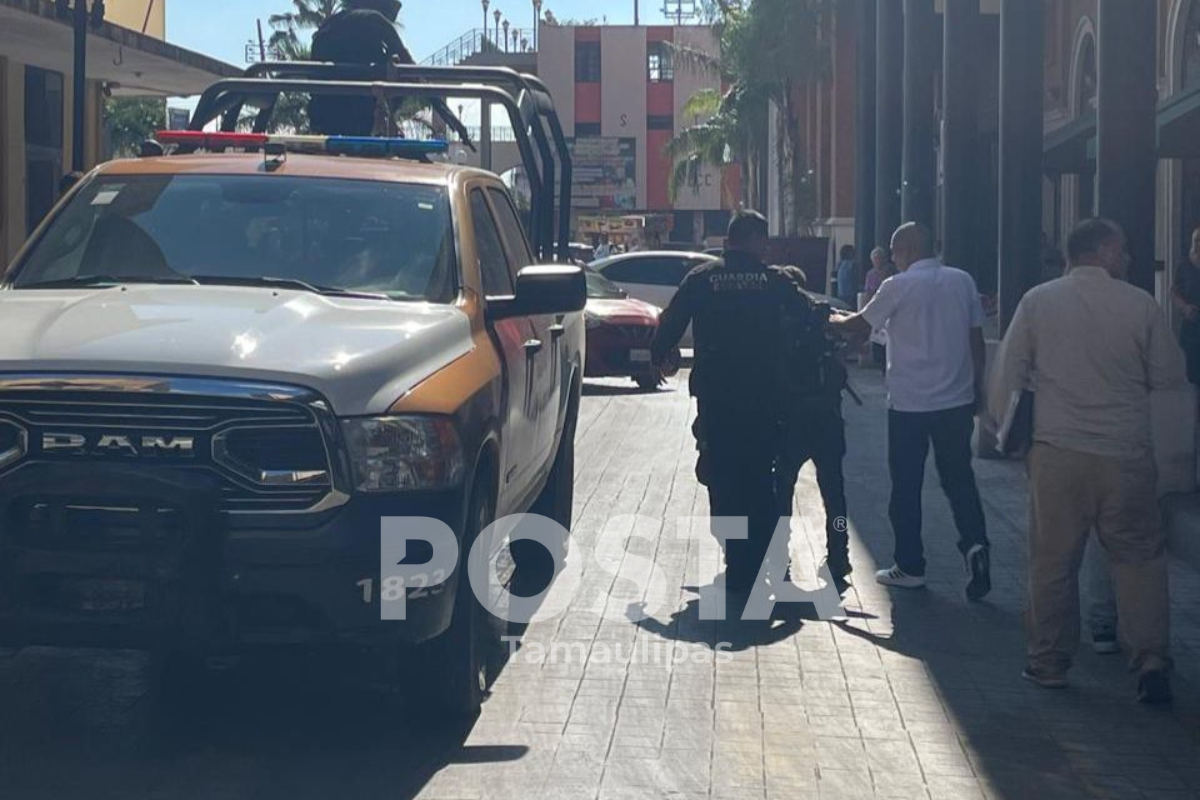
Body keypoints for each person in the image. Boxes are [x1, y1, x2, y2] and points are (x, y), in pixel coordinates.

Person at [989, 218, 1186, 704]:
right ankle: (1151, 659)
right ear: (1102, 250)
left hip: (1058, 454)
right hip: (1126, 453)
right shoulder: (1140, 304)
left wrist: (1006, 433)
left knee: (1053, 561)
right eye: (1123, 249)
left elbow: (1007, 374)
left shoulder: (1038, 302)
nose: (1130, 258)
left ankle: (1049, 661)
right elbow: (1169, 375)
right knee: (1138, 559)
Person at [651, 211, 812, 592]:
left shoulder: (703, 279)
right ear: (757, 242)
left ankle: (734, 553)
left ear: (728, 241)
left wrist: (660, 355)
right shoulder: (774, 281)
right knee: (759, 476)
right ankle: (758, 557)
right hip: (764, 398)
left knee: (720, 472)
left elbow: (671, 322)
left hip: (717, 396)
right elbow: (810, 318)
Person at [831, 222, 991, 601]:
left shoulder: (897, 286)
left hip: (909, 405)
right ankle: (975, 544)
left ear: (904, 250)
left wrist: (830, 319)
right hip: (955, 402)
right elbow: (976, 340)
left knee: (906, 486)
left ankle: (910, 565)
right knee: (959, 480)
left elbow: (860, 325)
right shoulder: (962, 281)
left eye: (892, 252)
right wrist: (978, 387)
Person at [775, 284, 852, 592]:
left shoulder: (780, 330)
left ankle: (779, 554)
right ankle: (839, 552)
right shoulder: (821, 328)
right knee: (834, 494)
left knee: (781, 490)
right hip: (828, 419)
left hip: (792, 420)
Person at [308, 0, 411, 137]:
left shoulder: (330, 26)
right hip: (355, 117)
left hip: (323, 119)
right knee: (401, 74)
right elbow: (408, 67)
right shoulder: (374, 19)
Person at [1170, 225, 1200, 386]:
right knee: (1191, 373)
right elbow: (1174, 292)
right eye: (1196, 240)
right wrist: (1184, 307)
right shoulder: (1185, 265)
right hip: (1191, 325)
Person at [862, 246, 894, 372]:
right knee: (877, 337)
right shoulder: (870, 274)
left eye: (879, 258)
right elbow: (868, 292)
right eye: (875, 259)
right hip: (876, 307)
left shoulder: (891, 271)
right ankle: (880, 363)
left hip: (889, 308)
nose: (877, 261)